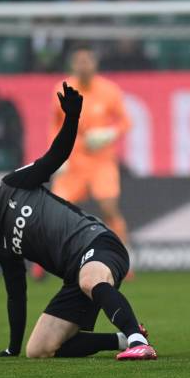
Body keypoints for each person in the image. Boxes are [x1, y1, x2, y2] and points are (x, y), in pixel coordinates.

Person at [0, 82, 156, 360]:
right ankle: (121, 338)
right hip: (74, 276)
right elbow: (16, 293)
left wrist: (71, 118)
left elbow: (56, 156)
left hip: (98, 244)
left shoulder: (14, 185)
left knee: (90, 278)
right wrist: (13, 347)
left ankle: (138, 341)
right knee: (40, 349)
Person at [50, 45, 131, 246]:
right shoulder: (62, 90)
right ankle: (43, 262)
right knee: (56, 211)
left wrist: (109, 133)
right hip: (74, 161)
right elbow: (55, 125)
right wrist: (57, 157)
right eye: (79, 61)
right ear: (72, 65)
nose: (83, 66)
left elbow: (126, 122)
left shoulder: (109, 90)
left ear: (95, 64)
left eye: (87, 61)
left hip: (101, 161)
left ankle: (124, 256)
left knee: (109, 207)